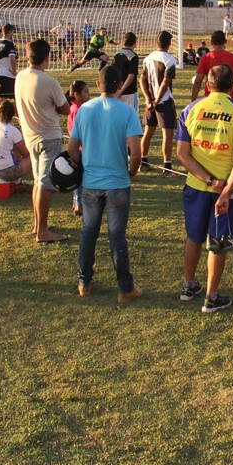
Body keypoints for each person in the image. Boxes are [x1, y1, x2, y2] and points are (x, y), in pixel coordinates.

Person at [175, 64, 233, 313]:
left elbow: (181, 154)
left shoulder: (191, 109)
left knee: (194, 236)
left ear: (208, 85)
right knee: (218, 241)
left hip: (197, 187)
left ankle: (189, 286)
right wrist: (225, 188)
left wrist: (208, 180)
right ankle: (211, 296)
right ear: (232, 87)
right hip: (228, 191)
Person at [67, 65, 144, 303]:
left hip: (90, 182)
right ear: (120, 86)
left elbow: (72, 148)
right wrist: (132, 172)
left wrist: (82, 168)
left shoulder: (84, 110)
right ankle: (124, 287)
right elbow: (136, 151)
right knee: (117, 235)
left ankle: (84, 282)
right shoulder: (127, 111)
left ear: (98, 85)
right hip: (118, 182)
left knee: (89, 232)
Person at [14, 39, 70, 244]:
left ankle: (39, 224)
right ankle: (42, 232)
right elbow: (65, 109)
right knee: (45, 184)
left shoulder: (20, 77)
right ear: (47, 58)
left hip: (30, 136)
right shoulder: (49, 82)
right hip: (48, 137)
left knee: (38, 182)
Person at [140, 31, 179, 175]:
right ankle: (167, 168)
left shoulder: (148, 58)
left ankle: (143, 163)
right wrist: (157, 100)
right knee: (167, 134)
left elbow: (142, 79)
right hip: (164, 101)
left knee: (148, 132)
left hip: (150, 101)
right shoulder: (169, 59)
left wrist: (147, 98)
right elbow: (165, 82)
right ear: (169, 43)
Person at [191, 31, 233, 103]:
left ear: (211, 42)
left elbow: (198, 81)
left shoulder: (205, 58)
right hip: (229, 99)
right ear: (225, 41)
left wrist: (193, 101)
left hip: (210, 97)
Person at [66, 80, 91, 216]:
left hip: (79, 146)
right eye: (86, 92)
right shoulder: (78, 110)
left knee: (79, 176)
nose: (89, 95)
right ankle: (79, 205)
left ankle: (77, 203)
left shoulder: (74, 107)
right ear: (76, 94)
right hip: (80, 148)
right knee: (80, 177)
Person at [113, 32, 141, 114]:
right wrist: (121, 91)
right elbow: (131, 76)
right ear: (135, 43)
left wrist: (117, 90)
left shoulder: (116, 54)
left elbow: (113, 73)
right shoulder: (133, 56)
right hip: (130, 93)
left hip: (117, 91)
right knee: (132, 118)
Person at [0, 24, 18, 100]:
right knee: (16, 98)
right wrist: (14, 72)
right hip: (8, 74)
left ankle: (2, 112)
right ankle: (16, 112)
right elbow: (12, 59)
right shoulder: (9, 44)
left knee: (3, 98)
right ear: (10, 32)